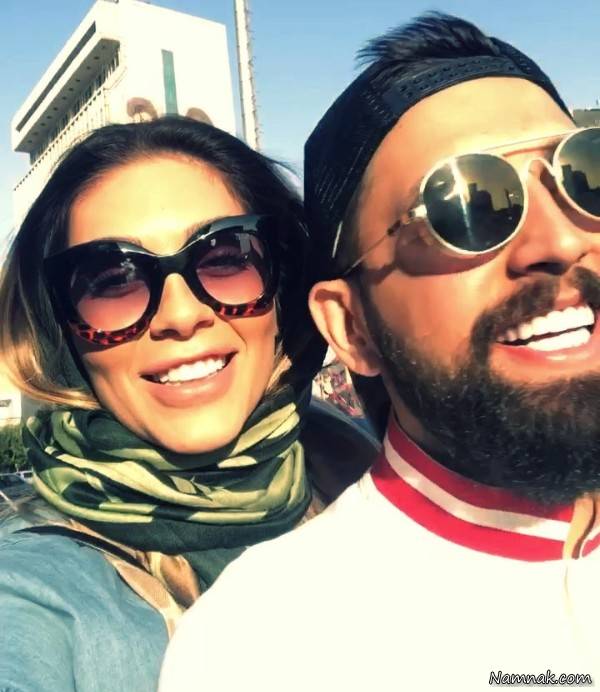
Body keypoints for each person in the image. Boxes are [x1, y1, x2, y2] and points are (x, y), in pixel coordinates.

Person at [159, 13, 600, 692]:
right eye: (464, 207)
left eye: (583, 177)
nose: (562, 242)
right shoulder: (262, 645)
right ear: (351, 326)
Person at [0, 116, 377, 691]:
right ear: (62, 333)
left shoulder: (373, 477)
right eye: (112, 280)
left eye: (225, 257)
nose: (181, 315)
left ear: (283, 287)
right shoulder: (35, 592)